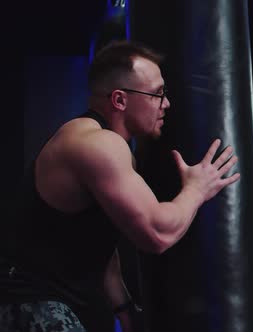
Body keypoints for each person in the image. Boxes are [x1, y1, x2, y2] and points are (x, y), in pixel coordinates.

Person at [1, 40, 240, 331]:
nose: (166, 103)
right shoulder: (97, 145)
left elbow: (97, 242)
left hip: (58, 306)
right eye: (157, 93)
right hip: (30, 308)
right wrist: (196, 188)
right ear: (119, 100)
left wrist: (125, 310)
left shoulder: (111, 149)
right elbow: (157, 233)